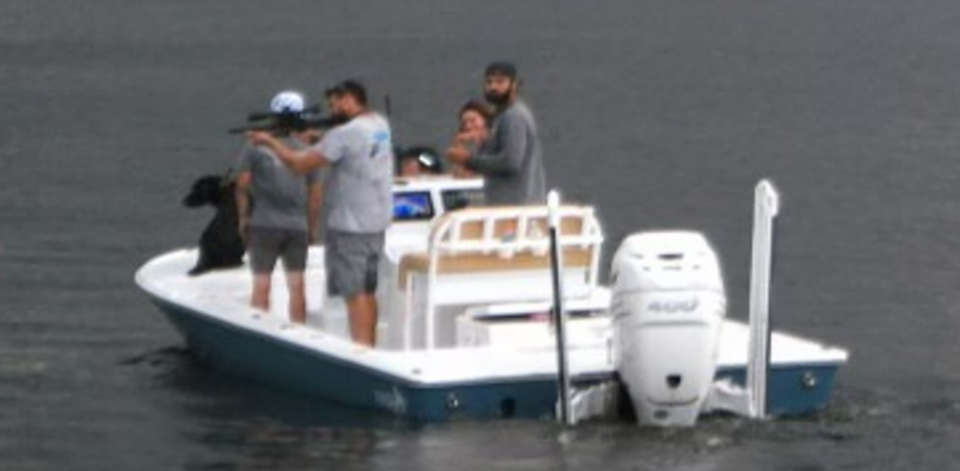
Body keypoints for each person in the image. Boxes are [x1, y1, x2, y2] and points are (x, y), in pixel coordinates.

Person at [247, 80, 393, 347]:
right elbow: (351, 147)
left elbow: (299, 165)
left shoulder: (344, 134)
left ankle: (361, 348)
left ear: (349, 99)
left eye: (334, 104)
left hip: (351, 225)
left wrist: (270, 142)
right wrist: (317, 140)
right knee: (368, 290)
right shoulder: (379, 125)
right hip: (375, 223)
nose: (331, 109)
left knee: (354, 291)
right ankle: (369, 342)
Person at [235, 91, 323, 325]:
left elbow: (242, 184)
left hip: (264, 224)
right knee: (297, 286)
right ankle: (300, 333)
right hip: (297, 226)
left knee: (261, 283)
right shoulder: (308, 150)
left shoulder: (256, 145)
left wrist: (243, 217)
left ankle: (258, 330)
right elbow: (315, 194)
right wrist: (312, 228)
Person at [447, 61, 546, 205]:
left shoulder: (514, 116)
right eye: (489, 82)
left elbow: (510, 162)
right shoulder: (501, 116)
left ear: (514, 85)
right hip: (509, 206)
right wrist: (482, 140)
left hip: (516, 207)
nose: (493, 87)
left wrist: (467, 159)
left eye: (500, 82)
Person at [446, 100, 494, 179]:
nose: (468, 126)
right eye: (464, 123)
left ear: (485, 120)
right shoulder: (469, 146)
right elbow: (459, 173)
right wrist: (458, 144)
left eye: (473, 121)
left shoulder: (497, 139)